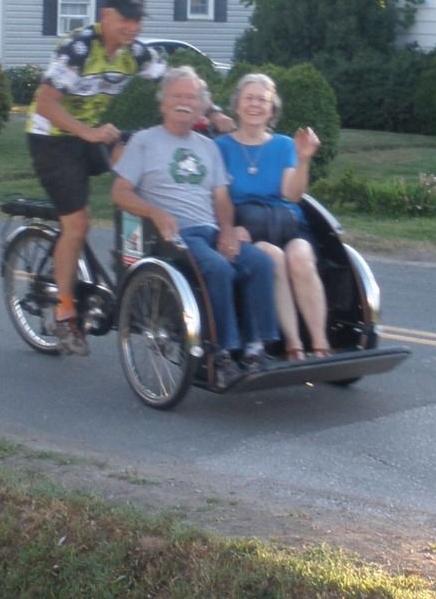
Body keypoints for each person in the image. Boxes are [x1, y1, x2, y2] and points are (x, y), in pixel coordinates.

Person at [112, 66, 279, 385]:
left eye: (191, 97)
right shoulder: (144, 142)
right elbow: (120, 193)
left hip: (210, 229)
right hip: (172, 235)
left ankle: (256, 346)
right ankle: (223, 352)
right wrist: (154, 212)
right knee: (218, 268)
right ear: (163, 102)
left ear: (201, 106)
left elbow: (222, 197)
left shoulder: (208, 147)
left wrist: (227, 231)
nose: (184, 102)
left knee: (260, 262)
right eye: (177, 96)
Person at [27, 0, 165, 355]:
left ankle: (128, 263)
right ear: (105, 15)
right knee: (78, 222)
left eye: (137, 20)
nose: (133, 27)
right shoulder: (79, 49)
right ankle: (64, 311)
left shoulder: (134, 53)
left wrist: (210, 114)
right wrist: (89, 133)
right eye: (125, 19)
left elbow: (174, 84)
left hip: (90, 133)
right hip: (51, 138)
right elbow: (45, 104)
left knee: (135, 181)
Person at [214, 73, 332, 362]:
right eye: (249, 99)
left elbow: (292, 195)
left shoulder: (283, 145)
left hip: (287, 223)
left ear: (272, 109)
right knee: (274, 258)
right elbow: (219, 196)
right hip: (246, 228)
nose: (255, 105)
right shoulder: (221, 147)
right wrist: (228, 228)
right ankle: (293, 344)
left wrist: (303, 159)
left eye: (263, 100)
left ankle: (320, 343)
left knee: (300, 257)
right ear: (237, 105)